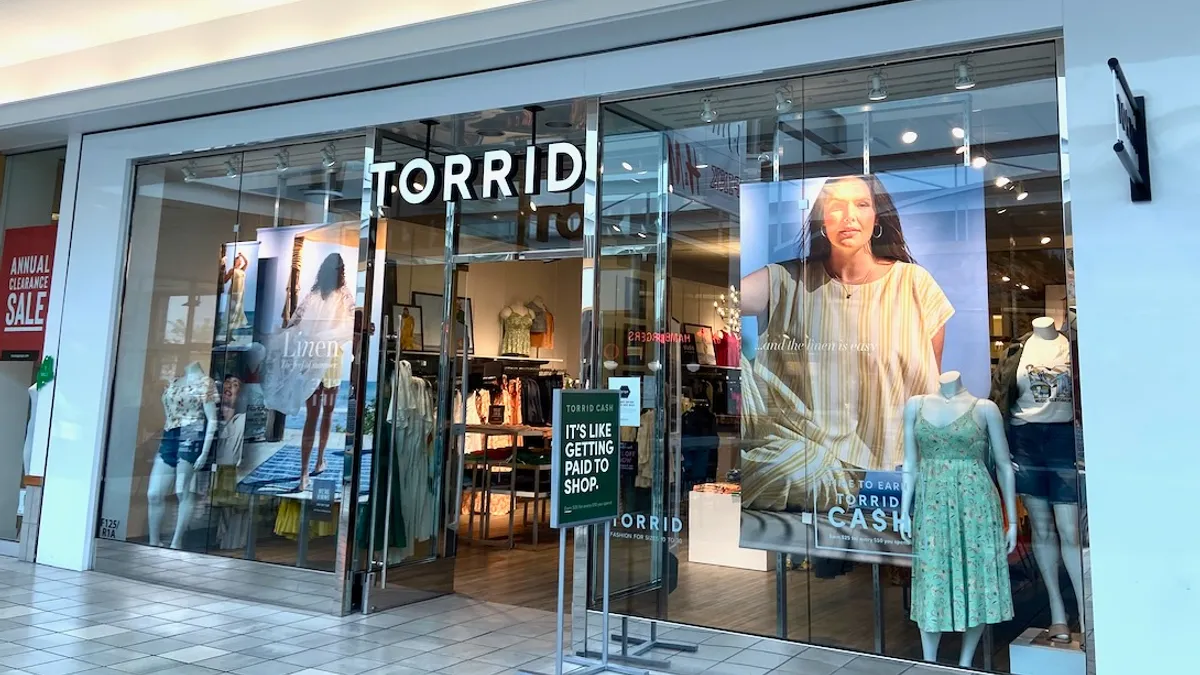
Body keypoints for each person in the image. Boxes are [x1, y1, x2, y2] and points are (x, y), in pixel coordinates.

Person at [740, 174, 954, 511]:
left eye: (861, 204)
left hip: (878, 470)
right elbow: (730, 296)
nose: (848, 216)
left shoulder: (915, 284)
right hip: (800, 452)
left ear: (877, 217)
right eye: (835, 207)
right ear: (822, 220)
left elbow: (931, 388)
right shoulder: (789, 279)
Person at [287, 253, 355, 491]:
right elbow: (352, 323)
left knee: (313, 415)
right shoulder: (343, 295)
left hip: (312, 356)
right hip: (330, 356)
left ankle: (306, 471)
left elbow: (293, 324)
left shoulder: (312, 295)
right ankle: (317, 462)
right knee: (326, 413)